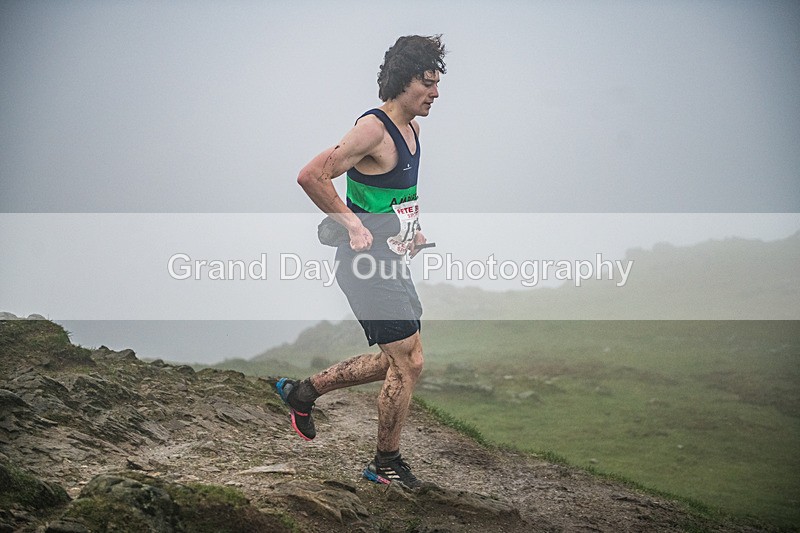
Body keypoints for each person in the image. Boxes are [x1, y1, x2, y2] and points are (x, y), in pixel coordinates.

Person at [276, 35, 446, 489]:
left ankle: (302, 393)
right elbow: (311, 175)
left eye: (437, 83)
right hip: (365, 264)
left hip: (391, 258)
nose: (435, 93)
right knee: (408, 361)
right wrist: (352, 225)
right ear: (403, 81)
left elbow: (393, 196)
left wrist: (411, 232)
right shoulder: (373, 129)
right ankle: (385, 463)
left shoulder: (413, 130)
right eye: (428, 83)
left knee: (399, 358)